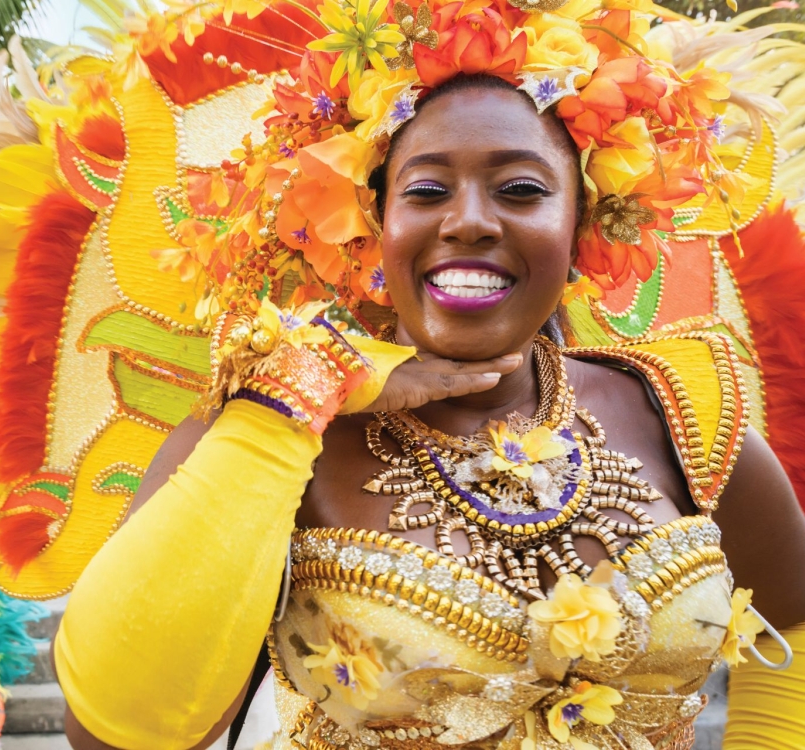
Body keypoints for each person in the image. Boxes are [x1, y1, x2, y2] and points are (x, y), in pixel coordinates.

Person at [49, 1, 805, 748]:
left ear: (583, 225)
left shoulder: (678, 408)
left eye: (520, 189)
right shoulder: (269, 429)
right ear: (375, 226)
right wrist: (297, 398)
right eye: (426, 190)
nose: (469, 220)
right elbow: (119, 730)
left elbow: (795, 617)